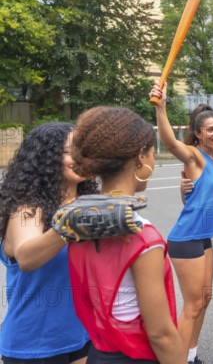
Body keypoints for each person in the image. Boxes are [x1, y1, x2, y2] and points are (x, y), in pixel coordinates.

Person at [68, 106, 185, 364]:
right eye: (152, 153)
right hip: (136, 356)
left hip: (99, 352)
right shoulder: (141, 236)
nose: (153, 161)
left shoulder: (77, 222)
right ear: (139, 158)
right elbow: (161, 334)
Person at [0, 123, 97, 364]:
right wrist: (67, 225)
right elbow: (27, 257)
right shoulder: (27, 208)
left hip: (84, 334)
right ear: (47, 157)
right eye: (71, 151)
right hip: (35, 345)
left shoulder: (90, 203)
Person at [151, 83, 213, 364]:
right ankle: (177, 360)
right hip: (186, 239)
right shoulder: (195, 157)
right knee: (192, 306)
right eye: (211, 130)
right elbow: (170, 143)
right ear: (198, 135)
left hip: (204, 238)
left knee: (204, 300)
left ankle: (190, 355)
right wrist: (161, 107)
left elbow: (197, 199)